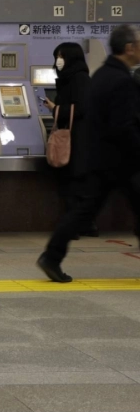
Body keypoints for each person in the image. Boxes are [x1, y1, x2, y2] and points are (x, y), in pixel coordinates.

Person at [39, 25, 140, 283]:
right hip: (119, 160)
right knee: (84, 211)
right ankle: (51, 257)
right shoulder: (120, 80)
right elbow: (123, 126)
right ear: (129, 48)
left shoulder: (102, 74)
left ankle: (51, 256)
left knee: (82, 211)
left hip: (99, 158)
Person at [43, 42, 96, 238]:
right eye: (57, 56)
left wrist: (55, 109)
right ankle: (83, 225)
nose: (58, 60)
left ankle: (77, 226)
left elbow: (80, 108)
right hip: (75, 137)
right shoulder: (72, 78)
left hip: (77, 139)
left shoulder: (79, 78)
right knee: (74, 183)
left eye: (61, 56)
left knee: (73, 182)